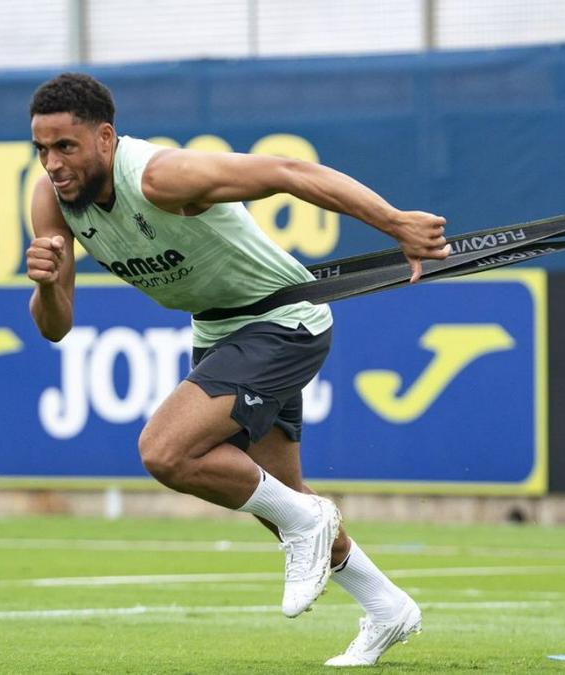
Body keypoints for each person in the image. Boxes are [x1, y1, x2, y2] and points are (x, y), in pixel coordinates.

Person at [25, 72, 449, 667]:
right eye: (40, 149)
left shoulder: (160, 177)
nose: (51, 164)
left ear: (104, 137)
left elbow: (288, 172)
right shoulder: (51, 201)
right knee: (282, 503)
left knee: (165, 452)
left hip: (283, 320)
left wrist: (395, 223)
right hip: (218, 329)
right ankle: (387, 608)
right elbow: (56, 326)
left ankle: (312, 523)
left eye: (64, 146)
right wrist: (45, 285)